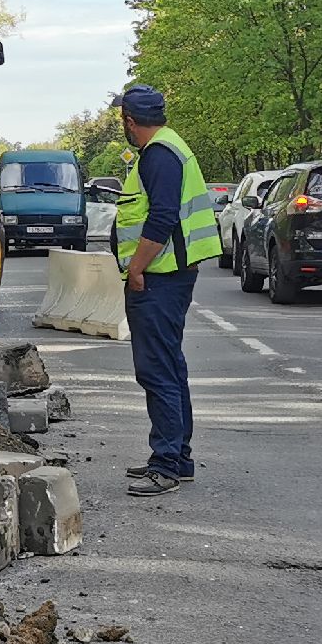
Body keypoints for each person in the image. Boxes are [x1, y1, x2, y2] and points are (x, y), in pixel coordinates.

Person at [112, 84, 221, 497]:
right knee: (170, 367)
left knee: (157, 370)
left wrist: (137, 268)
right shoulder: (168, 148)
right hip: (170, 275)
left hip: (159, 277)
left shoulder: (159, 155)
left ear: (129, 121)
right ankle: (178, 458)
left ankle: (166, 465)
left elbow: (161, 218)